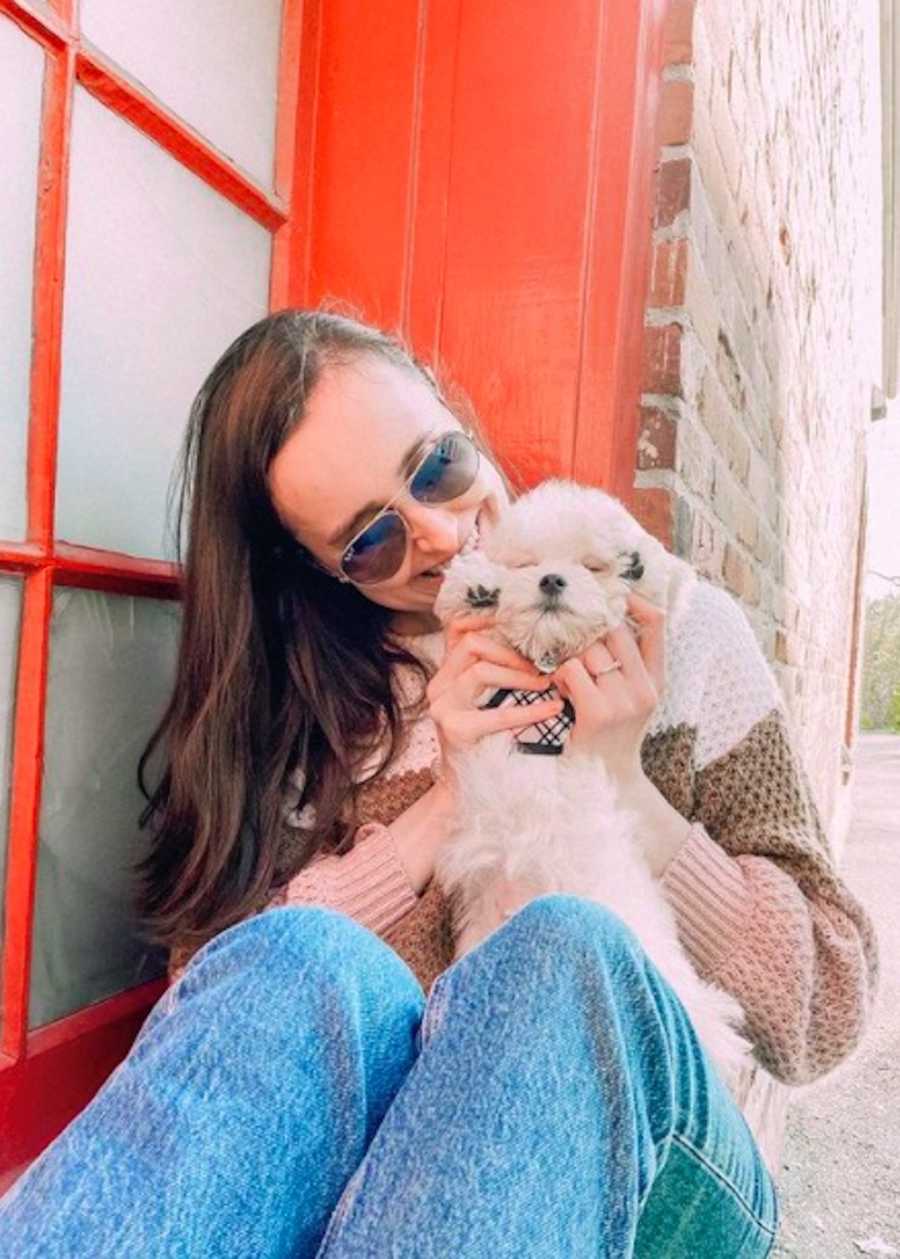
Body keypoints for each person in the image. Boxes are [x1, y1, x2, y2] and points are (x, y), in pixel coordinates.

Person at [0, 307, 879, 1258]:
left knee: (556, 950)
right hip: (384, 1186)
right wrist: (448, 807)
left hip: (655, 1166)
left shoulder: (675, 624)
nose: (436, 530)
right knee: (294, 956)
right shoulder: (312, 725)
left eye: (437, 467)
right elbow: (216, 1007)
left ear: (451, 409)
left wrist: (626, 787)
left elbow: (824, 1005)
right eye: (370, 540)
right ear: (322, 572)